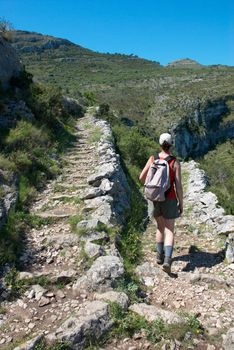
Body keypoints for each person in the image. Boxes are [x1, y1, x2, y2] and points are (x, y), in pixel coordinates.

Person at [139, 133, 183, 273]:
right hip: (169, 199)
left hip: (155, 198)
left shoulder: (153, 158)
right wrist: (181, 203)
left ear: (159, 144)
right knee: (169, 230)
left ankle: (159, 256)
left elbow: (141, 177)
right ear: (171, 145)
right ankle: (167, 261)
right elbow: (178, 186)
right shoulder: (174, 162)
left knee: (160, 227)